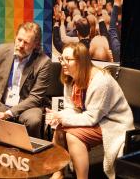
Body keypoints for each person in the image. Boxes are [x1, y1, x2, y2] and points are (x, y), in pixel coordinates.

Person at [46, 42, 134, 179]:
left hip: (111, 122)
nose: (63, 63)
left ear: (81, 61)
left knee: (73, 136)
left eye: (68, 59)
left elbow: (92, 117)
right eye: (61, 59)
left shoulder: (101, 81)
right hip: (92, 117)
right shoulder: (70, 77)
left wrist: (62, 118)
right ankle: (59, 172)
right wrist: (58, 117)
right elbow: (71, 108)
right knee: (59, 129)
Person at [0, 22, 51, 138]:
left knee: (33, 121)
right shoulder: (2, 50)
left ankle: (29, 154)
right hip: (2, 102)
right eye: (19, 40)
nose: (20, 45)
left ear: (36, 44)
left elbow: (35, 97)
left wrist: (9, 113)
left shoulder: (44, 62)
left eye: (26, 42)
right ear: (15, 37)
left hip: (27, 106)